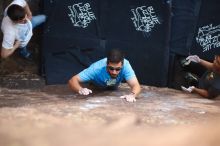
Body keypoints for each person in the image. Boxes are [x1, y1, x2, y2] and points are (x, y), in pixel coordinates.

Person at [68, 49, 141, 102]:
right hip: (96, 88)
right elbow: (72, 80)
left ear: (122, 65)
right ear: (106, 63)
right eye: (111, 68)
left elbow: (136, 85)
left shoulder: (126, 65)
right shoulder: (96, 68)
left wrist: (132, 95)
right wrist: (80, 89)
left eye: (118, 69)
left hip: (112, 86)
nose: (114, 72)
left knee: (112, 83)